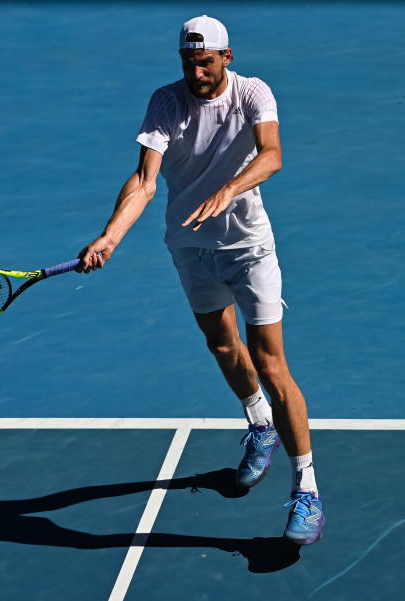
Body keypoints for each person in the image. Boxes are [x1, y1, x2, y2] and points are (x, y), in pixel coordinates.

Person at [78, 15, 323, 544]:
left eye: (205, 61)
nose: (196, 71)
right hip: (190, 246)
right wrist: (110, 236)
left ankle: (307, 489)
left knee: (271, 363)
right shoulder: (166, 101)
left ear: (226, 57)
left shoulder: (254, 93)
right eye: (188, 62)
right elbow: (145, 180)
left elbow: (273, 155)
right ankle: (261, 426)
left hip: (249, 248)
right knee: (221, 346)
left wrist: (229, 190)